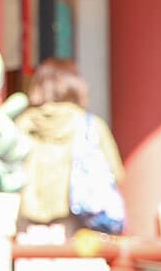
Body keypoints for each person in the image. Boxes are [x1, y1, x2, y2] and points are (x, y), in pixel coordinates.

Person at [14, 57, 126, 233]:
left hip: (27, 220)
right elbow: (116, 173)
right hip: (76, 219)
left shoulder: (22, 125)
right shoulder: (91, 125)